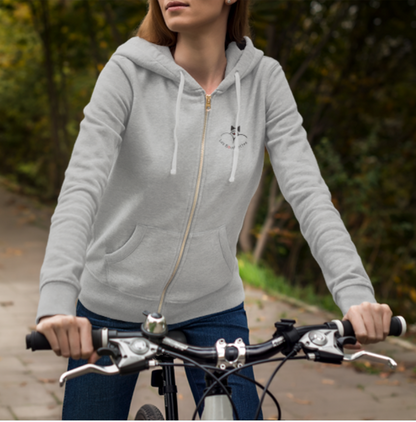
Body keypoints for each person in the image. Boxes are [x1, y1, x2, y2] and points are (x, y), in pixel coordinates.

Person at [35, 0, 393, 419]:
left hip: (212, 304)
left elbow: (309, 194)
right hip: (111, 303)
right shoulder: (127, 72)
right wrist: (57, 303)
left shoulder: (264, 81)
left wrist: (356, 297)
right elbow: (81, 188)